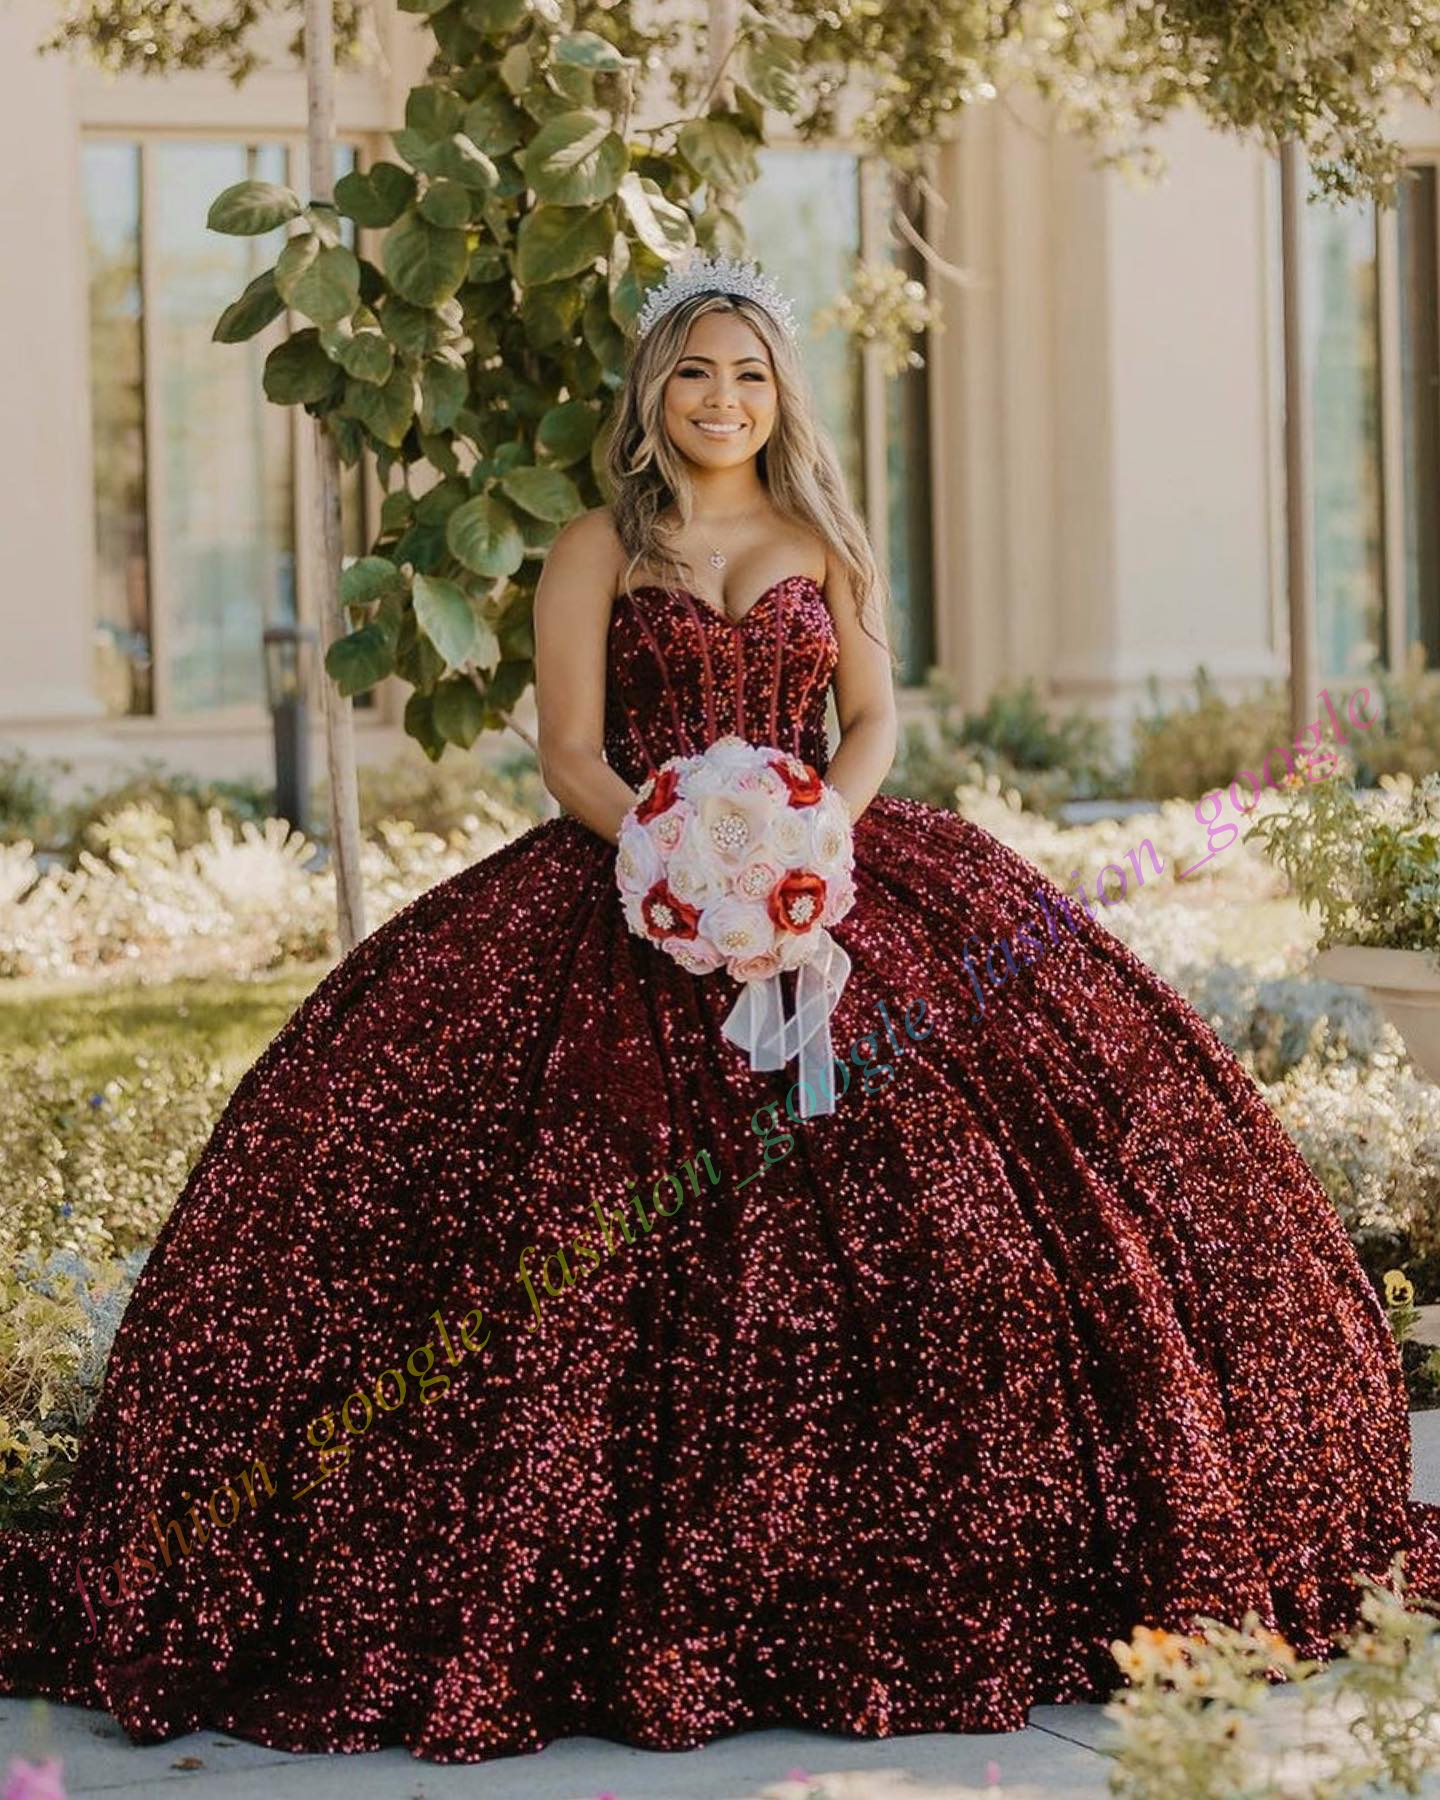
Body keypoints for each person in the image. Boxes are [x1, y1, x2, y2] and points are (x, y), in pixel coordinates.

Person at [1, 248, 1437, 1768]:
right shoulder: (593, 548)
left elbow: (872, 719)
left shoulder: (824, 533)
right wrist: (683, 867)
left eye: (748, 374)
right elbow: (567, 752)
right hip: (628, 878)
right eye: (695, 372)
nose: (723, 400)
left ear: (780, 393)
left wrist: (811, 848)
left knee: (966, 1207)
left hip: (837, 883)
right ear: (651, 389)